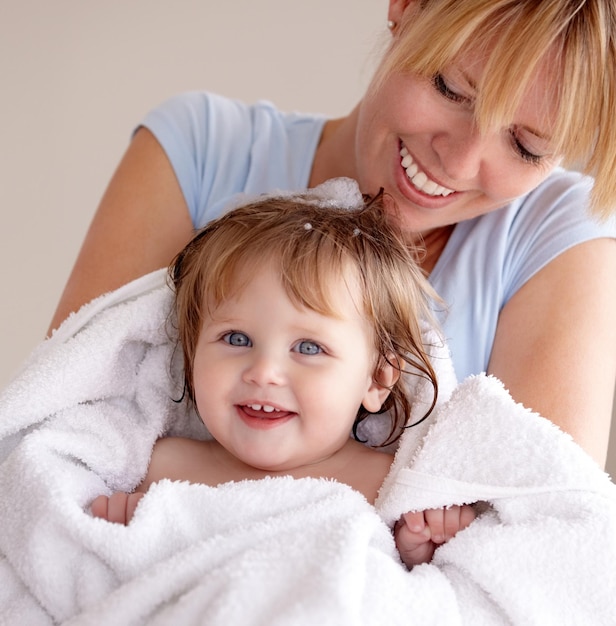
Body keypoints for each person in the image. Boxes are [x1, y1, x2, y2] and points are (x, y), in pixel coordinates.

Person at [49, 0, 616, 469]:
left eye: (526, 146)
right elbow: (66, 439)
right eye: (451, 89)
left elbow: (537, 532)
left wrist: (174, 471)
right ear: (406, 9)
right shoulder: (198, 152)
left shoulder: (558, 233)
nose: (461, 162)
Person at [91, 191, 476, 568]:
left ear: (376, 379)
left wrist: (417, 551)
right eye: (236, 339)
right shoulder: (159, 468)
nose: (263, 371)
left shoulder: (391, 488)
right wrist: (128, 534)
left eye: (308, 348)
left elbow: (405, 598)